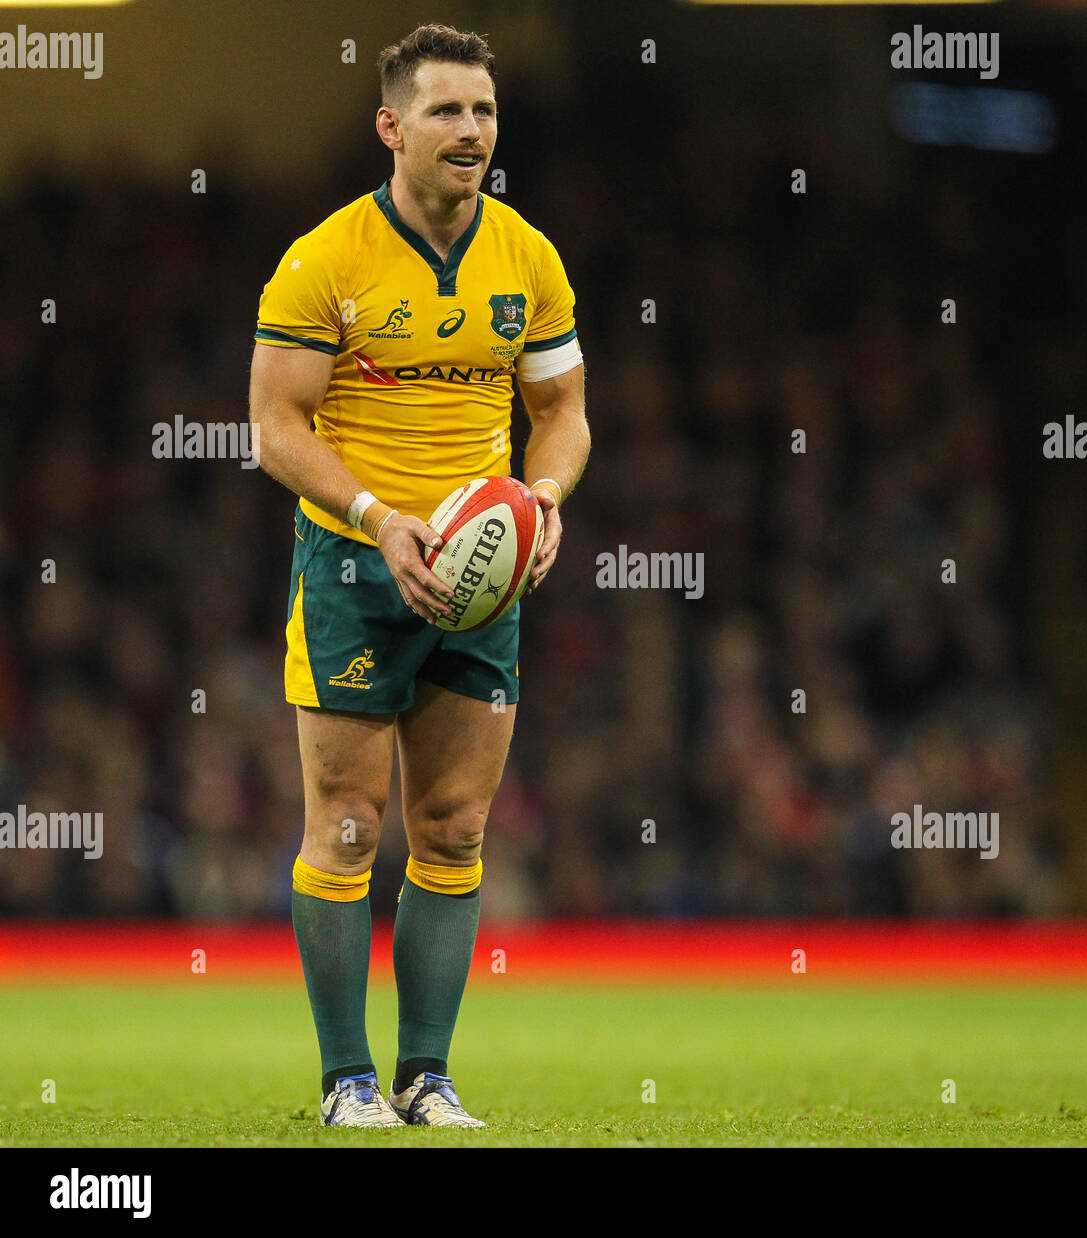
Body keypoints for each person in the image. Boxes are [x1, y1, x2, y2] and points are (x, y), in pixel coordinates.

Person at [248, 22, 589, 1127]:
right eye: (446, 110)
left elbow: (562, 414)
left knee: (452, 825)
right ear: (391, 126)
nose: (471, 130)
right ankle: (347, 1080)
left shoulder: (526, 255)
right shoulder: (325, 259)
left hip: (481, 578)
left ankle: (427, 1075)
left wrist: (543, 498)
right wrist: (379, 518)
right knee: (348, 824)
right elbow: (272, 424)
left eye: (484, 111)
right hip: (354, 564)